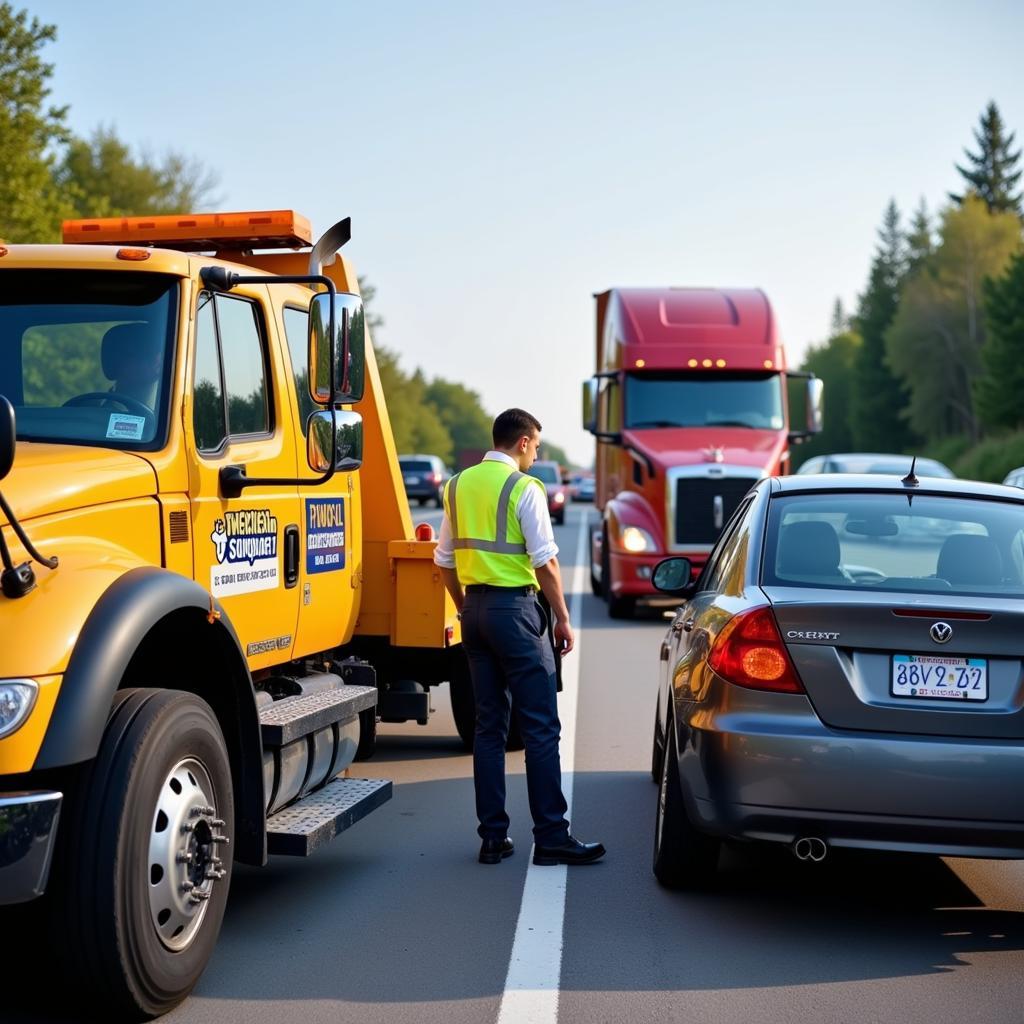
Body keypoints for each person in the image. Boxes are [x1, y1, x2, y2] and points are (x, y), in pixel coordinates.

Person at [434, 407, 605, 866]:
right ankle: (551, 836)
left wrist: (464, 605)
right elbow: (546, 562)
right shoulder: (524, 487)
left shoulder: (456, 486)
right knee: (540, 728)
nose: (536, 455)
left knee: (488, 728)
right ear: (524, 442)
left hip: (475, 614)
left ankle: (493, 838)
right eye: (536, 446)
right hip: (516, 614)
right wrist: (564, 618)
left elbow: (443, 560)